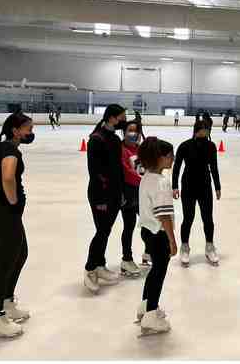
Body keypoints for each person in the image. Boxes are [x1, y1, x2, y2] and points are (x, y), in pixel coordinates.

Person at [0, 112, 35, 339]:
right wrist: (13, 201)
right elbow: (7, 177)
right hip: (3, 215)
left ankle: (7, 302)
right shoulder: (10, 150)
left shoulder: (1, 146)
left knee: (20, 254)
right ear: (16, 130)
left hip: (3, 215)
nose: (31, 133)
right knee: (2, 267)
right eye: (28, 129)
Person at [83, 104, 127, 294]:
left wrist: (121, 193)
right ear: (111, 118)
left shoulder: (114, 138)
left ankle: (100, 265)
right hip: (100, 194)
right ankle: (90, 269)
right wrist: (102, 198)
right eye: (121, 118)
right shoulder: (96, 139)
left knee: (106, 231)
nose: (123, 121)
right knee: (101, 231)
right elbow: (95, 172)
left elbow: (118, 169)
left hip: (115, 194)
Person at [135, 137, 177, 336]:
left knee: (154, 271)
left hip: (146, 230)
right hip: (159, 234)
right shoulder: (161, 182)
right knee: (159, 273)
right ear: (161, 157)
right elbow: (163, 214)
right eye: (170, 156)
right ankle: (151, 314)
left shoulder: (147, 177)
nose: (173, 159)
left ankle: (145, 306)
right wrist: (172, 239)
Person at [172, 121, 222, 267]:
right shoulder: (185, 145)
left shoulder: (211, 146)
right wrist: (175, 186)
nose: (207, 132)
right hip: (188, 185)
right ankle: (185, 247)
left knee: (208, 218)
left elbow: (214, 167)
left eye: (208, 130)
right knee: (188, 217)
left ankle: (209, 246)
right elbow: (176, 167)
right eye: (205, 130)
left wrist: (217, 187)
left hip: (205, 185)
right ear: (198, 130)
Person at [120, 120, 146, 275]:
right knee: (129, 226)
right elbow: (125, 170)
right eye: (130, 130)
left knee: (148, 222)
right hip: (128, 193)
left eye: (136, 130)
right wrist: (142, 179)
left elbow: (146, 167)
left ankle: (148, 251)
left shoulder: (140, 149)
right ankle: (126, 259)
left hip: (142, 192)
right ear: (124, 131)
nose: (133, 133)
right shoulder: (121, 149)